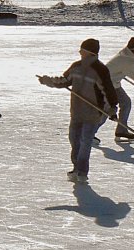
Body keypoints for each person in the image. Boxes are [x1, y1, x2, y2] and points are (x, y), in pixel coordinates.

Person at [38, 38, 118, 183]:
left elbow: (108, 92)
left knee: (85, 142)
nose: (79, 52)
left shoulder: (100, 70)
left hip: (93, 113)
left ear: (88, 52)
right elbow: (64, 81)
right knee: (74, 140)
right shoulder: (76, 66)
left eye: (82, 50)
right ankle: (76, 168)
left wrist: (111, 109)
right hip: (77, 112)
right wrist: (47, 80)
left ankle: (81, 172)